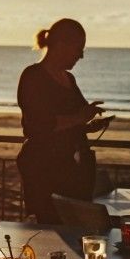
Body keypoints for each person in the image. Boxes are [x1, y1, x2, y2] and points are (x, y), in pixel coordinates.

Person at [16, 18, 110, 223]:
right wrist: (80, 117)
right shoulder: (33, 76)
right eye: (79, 49)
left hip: (72, 169)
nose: (81, 56)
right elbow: (39, 124)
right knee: (52, 228)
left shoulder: (69, 79)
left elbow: (72, 122)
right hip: (45, 169)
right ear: (61, 45)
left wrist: (88, 125)